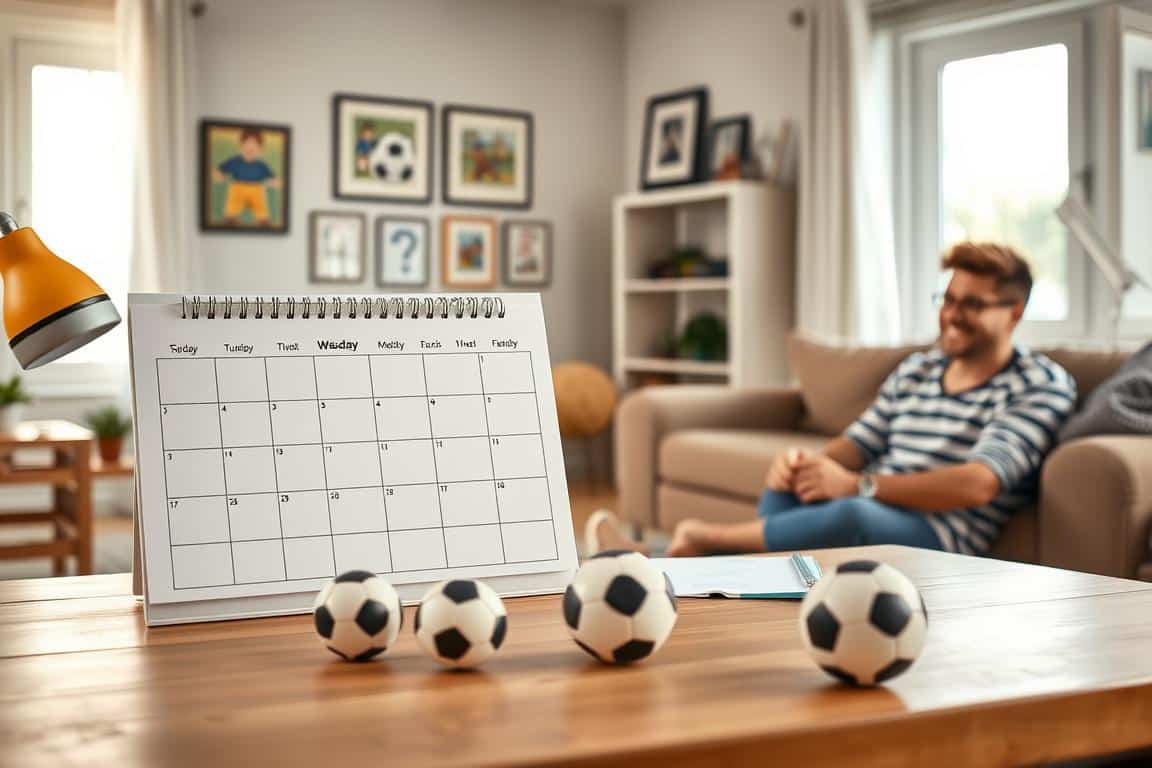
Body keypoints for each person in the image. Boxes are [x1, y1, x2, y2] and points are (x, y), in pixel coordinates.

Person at [590, 242, 1078, 558]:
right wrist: (809, 465)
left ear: (1015, 312)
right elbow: (860, 442)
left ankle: (691, 546)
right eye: (947, 300)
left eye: (972, 304)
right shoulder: (920, 369)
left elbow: (978, 485)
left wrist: (858, 486)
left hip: (941, 534)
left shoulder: (1039, 384)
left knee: (852, 513)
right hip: (874, 500)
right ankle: (723, 573)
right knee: (795, 480)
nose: (952, 315)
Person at [214, 128, 279, 227]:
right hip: (238, 187)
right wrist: (219, 174)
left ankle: (263, 219)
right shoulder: (235, 161)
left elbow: (273, 177)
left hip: (256, 188)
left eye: (254, 148)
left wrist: (273, 182)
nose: (250, 150)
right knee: (233, 201)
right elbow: (220, 169)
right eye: (246, 146)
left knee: (260, 204)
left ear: (261, 150)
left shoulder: (261, 165)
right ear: (240, 147)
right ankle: (230, 217)